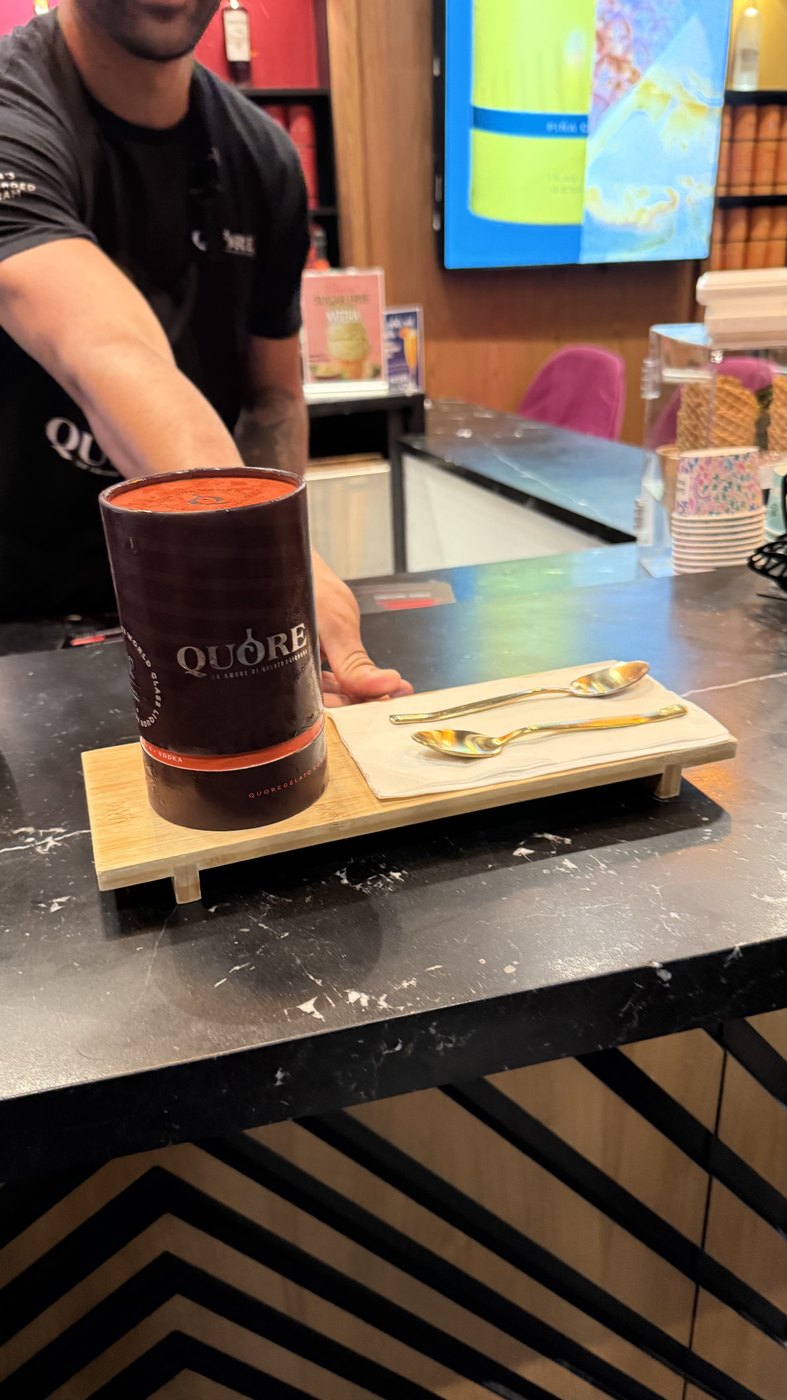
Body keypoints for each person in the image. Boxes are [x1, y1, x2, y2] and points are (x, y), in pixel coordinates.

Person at [0, 0, 412, 707]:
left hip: (199, 613)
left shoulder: (264, 158)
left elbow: (272, 399)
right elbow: (106, 347)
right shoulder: (19, 118)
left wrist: (265, 602)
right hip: (20, 626)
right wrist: (271, 559)